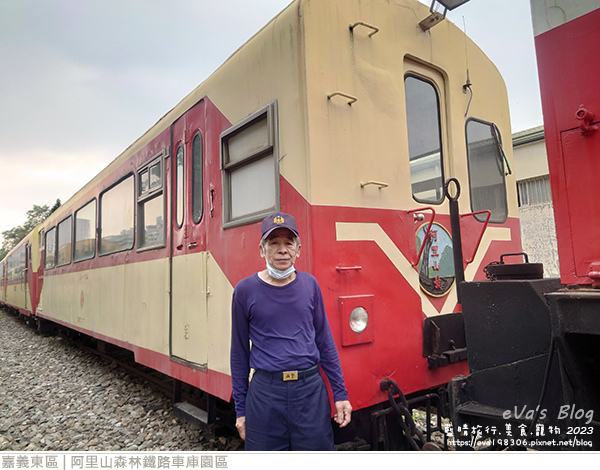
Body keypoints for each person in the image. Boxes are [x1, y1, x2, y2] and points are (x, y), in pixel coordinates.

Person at [230, 211, 352, 451]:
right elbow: (239, 354)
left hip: (309, 393)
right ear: (261, 250)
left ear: (299, 249)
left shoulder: (310, 285)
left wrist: (340, 393)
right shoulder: (244, 291)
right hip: (265, 395)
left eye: (289, 243)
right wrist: (241, 410)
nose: (282, 250)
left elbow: (324, 342)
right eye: (273, 243)